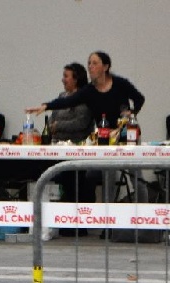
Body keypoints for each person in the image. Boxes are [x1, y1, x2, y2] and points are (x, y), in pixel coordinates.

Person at [27, 51, 146, 210]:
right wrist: (47, 106)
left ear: (105, 66)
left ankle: (146, 217)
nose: (90, 66)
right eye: (89, 63)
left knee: (136, 176)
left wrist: (131, 113)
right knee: (108, 176)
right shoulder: (89, 91)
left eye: (95, 63)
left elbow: (139, 98)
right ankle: (107, 222)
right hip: (105, 138)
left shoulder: (120, 83)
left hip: (127, 133)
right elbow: (68, 100)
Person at [46, 62, 95, 214]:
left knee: (72, 178)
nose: (63, 80)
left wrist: (58, 126)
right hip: (57, 147)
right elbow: (51, 119)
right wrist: (50, 127)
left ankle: (76, 218)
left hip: (77, 150)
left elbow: (81, 122)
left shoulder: (85, 99)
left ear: (76, 79)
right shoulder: (62, 97)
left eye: (66, 76)